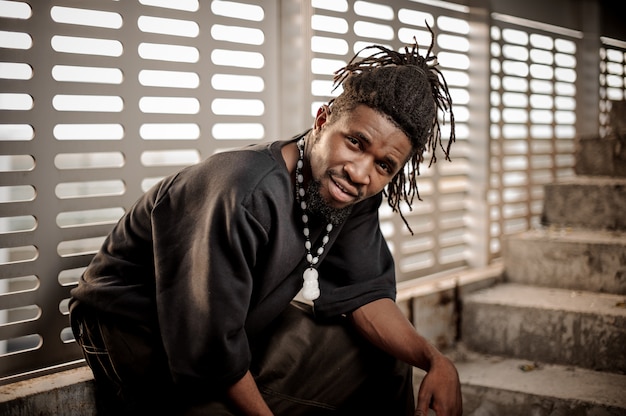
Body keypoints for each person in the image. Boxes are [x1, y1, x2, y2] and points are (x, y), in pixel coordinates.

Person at [69, 27, 462, 416]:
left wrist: (435, 360)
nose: (361, 172)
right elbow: (207, 352)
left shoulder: (348, 191)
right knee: (217, 400)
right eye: (355, 142)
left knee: (384, 362)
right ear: (323, 120)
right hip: (135, 328)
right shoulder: (245, 191)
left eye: (383, 165)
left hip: (233, 324)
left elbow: (365, 295)